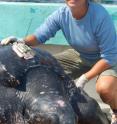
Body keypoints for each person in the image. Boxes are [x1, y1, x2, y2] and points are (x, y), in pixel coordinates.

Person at [1, 0, 117, 123]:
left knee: (105, 89)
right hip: (80, 55)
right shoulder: (62, 14)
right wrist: (21, 41)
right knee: (49, 70)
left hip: (108, 59)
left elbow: (110, 55)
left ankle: (115, 109)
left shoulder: (99, 15)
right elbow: (40, 35)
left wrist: (85, 78)